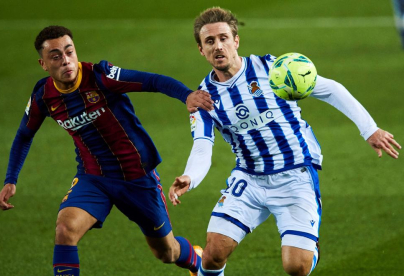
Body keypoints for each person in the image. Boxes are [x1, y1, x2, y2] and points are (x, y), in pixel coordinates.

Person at [168, 7, 401, 276]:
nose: (218, 46)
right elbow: (202, 146)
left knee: (296, 267)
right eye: (209, 41)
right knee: (211, 257)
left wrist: (369, 130)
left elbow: (330, 89)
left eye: (223, 38)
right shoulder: (203, 99)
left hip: (295, 175)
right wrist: (190, 177)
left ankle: (309, 246)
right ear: (201, 50)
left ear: (236, 41)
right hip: (250, 178)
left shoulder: (272, 68)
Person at [0, 25, 214, 276]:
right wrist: (11, 179)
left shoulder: (102, 76)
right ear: (43, 64)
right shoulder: (43, 96)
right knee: (65, 230)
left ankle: (196, 259)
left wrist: (186, 95)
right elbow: (24, 134)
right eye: (56, 56)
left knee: (167, 253)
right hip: (94, 177)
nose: (66, 60)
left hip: (136, 177)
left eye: (69, 52)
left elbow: (152, 80)